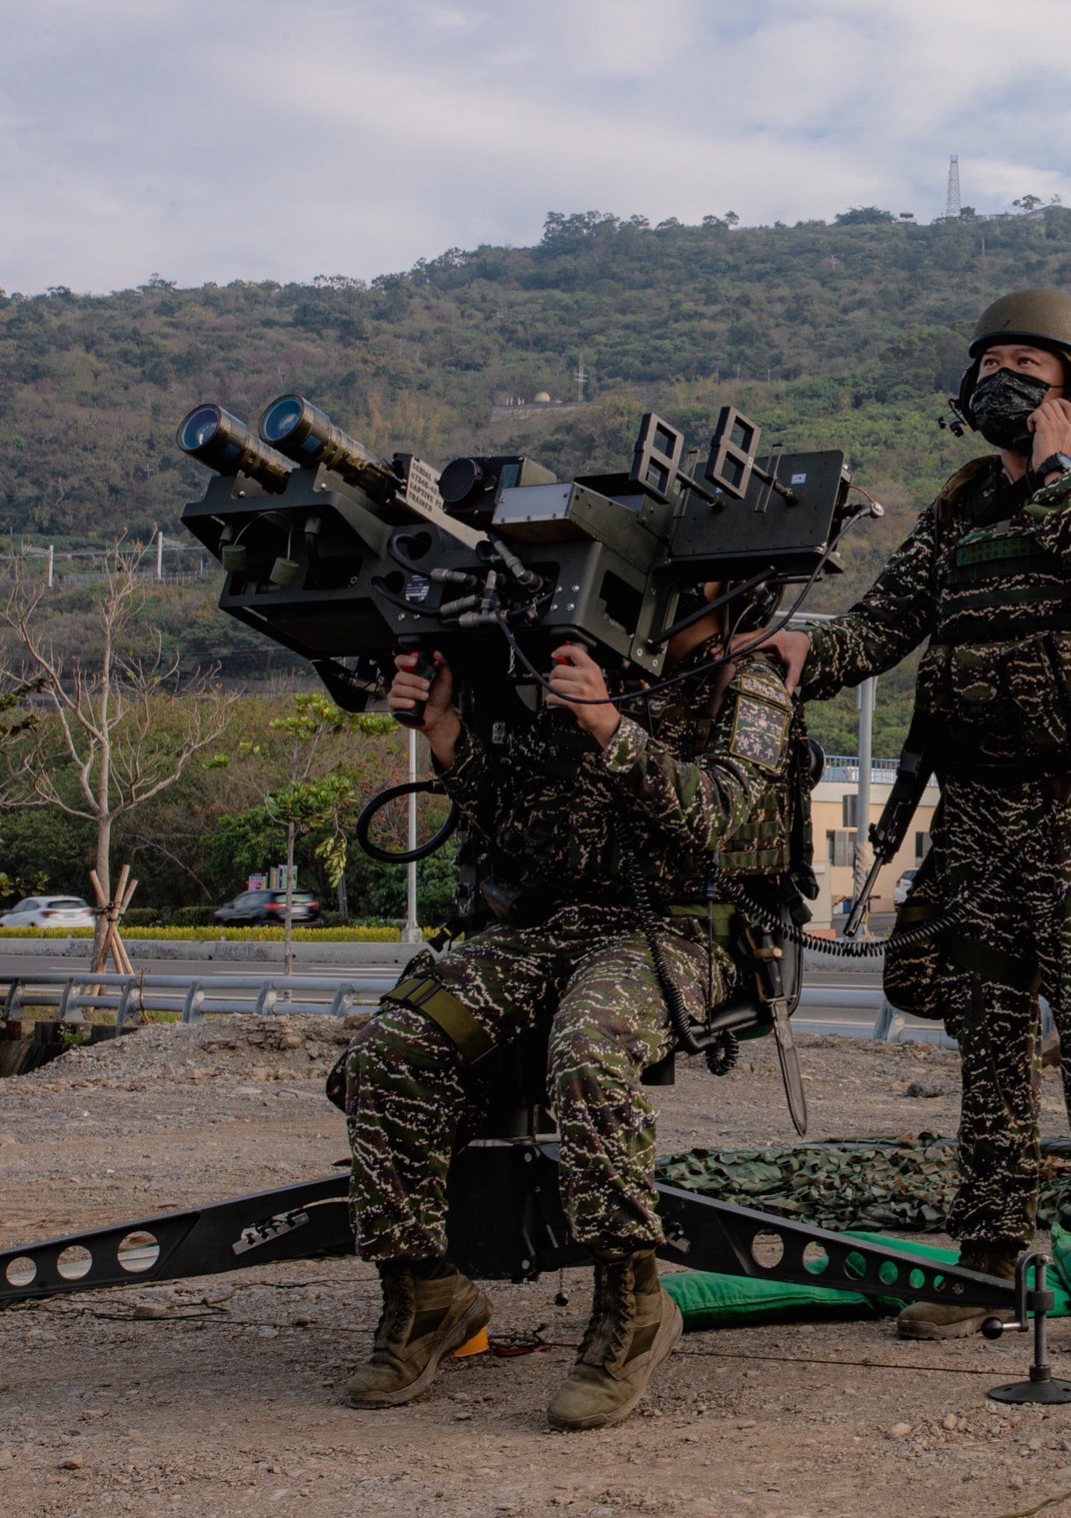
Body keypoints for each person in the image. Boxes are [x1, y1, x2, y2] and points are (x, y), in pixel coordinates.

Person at [745, 289, 1071, 1357]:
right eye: (988, 364)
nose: (1003, 380)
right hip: (980, 812)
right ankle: (988, 1257)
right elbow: (882, 626)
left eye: (1028, 364)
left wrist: (1054, 472)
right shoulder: (956, 517)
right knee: (989, 1046)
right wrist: (798, 655)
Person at [330, 595, 802, 1428]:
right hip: (551, 925)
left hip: (685, 928)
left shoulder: (744, 675)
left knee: (589, 1045)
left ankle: (632, 1312)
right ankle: (426, 1294)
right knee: (391, 1049)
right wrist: (448, 739)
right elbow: (532, 836)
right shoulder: (577, 670)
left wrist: (612, 729)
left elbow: (727, 815)